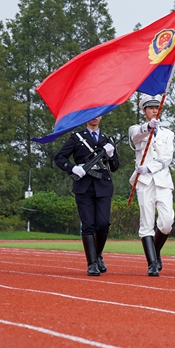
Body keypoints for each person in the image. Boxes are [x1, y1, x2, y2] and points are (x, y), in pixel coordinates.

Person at [55, 116, 119, 276]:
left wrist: (111, 155)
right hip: (84, 186)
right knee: (88, 224)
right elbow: (59, 158)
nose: (95, 117)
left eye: (98, 114)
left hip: (103, 185)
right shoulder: (77, 138)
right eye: (92, 114)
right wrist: (72, 168)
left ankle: (98, 255)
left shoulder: (107, 139)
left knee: (103, 223)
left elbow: (115, 166)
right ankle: (92, 264)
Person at [128, 94, 175, 277]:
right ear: (144, 110)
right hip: (144, 182)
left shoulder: (168, 134)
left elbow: (167, 158)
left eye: (157, 107)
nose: (155, 110)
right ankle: (152, 263)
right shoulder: (136, 129)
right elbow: (135, 136)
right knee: (146, 222)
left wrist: (149, 167)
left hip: (161, 180)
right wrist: (147, 127)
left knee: (166, 223)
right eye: (150, 108)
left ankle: (155, 252)